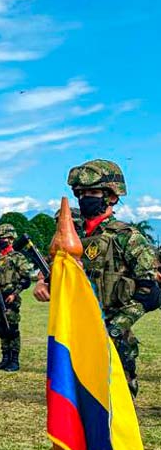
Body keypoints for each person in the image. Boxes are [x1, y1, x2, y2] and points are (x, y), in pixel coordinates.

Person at [36, 160, 159, 396]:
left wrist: (114, 328)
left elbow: (151, 293)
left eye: (92, 192)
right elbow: (57, 278)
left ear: (112, 196)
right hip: (76, 335)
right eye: (80, 194)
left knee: (114, 412)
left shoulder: (127, 237)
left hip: (113, 337)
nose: (84, 198)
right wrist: (43, 285)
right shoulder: (72, 238)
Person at [0, 224, 31, 372]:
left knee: (12, 328)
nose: (1, 240)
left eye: (4, 238)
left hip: (11, 297)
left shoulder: (18, 257)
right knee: (1, 328)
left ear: (11, 239)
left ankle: (14, 360)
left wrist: (15, 294)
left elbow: (26, 279)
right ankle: (5, 358)